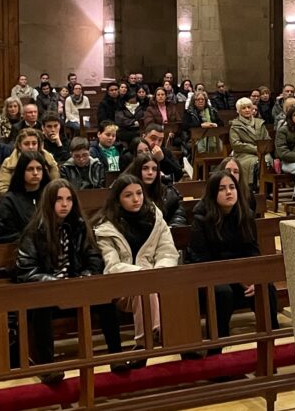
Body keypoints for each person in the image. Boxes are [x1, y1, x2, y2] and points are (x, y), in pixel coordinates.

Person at [15, 179, 125, 381]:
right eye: (59, 199)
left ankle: (116, 357)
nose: (64, 204)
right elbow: (26, 271)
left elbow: (94, 258)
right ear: (48, 202)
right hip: (49, 291)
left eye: (68, 199)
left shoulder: (81, 227)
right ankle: (47, 368)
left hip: (77, 287)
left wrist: (87, 276)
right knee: (41, 306)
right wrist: (55, 283)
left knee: (106, 299)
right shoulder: (34, 232)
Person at [93, 175, 180, 367]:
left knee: (180, 284)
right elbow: (112, 266)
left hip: (157, 280)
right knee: (144, 286)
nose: (136, 199)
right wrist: (142, 272)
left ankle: (181, 345)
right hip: (122, 289)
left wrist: (158, 271)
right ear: (117, 199)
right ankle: (148, 339)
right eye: (128, 195)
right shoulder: (106, 228)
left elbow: (168, 252)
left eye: (139, 193)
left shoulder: (156, 219)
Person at [185, 171, 278, 349]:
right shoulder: (201, 219)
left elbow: (252, 250)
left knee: (265, 285)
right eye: (222, 189)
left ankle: (270, 344)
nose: (229, 192)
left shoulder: (245, 215)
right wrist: (236, 277)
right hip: (209, 275)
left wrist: (252, 278)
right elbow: (201, 260)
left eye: (232, 187)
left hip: (239, 273)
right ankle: (217, 347)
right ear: (213, 193)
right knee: (223, 292)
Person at [0, 151, 51, 243]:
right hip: (22, 250)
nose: (35, 173)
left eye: (39, 169)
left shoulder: (50, 196)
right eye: (30, 169)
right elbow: (6, 236)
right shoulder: (9, 201)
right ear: (21, 171)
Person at [122, 152, 187, 227]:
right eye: (145, 168)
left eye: (154, 169)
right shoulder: (126, 192)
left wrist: (173, 227)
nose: (150, 172)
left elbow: (178, 214)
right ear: (137, 169)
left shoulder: (166, 192)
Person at [0, 128, 61, 194]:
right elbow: (3, 189)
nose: (31, 147)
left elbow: (55, 185)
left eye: (34, 143)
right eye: (26, 144)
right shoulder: (8, 163)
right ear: (19, 145)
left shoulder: (48, 160)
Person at [229, 97, 265, 192]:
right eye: (244, 108)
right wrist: (255, 149)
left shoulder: (259, 123)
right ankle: (251, 189)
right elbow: (236, 144)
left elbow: (267, 139)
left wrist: (263, 150)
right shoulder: (235, 125)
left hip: (262, 153)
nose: (247, 110)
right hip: (243, 154)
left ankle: (265, 189)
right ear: (239, 111)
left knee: (268, 161)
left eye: (249, 107)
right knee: (255, 163)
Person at [183, 91, 223, 155]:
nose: (200, 101)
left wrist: (214, 124)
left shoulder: (212, 111)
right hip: (195, 139)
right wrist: (201, 125)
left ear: (205, 101)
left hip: (214, 138)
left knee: (221, 146)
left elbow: (221, 123)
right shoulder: (189, 112)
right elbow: (185, 126)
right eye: (198, 99)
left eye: (202, 99)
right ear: (194, 101)